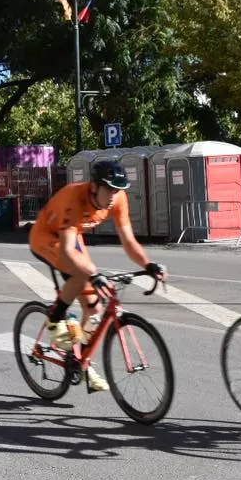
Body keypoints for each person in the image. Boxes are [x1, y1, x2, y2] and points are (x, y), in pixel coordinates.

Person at [28, 162, 166, 393]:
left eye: (118, 189)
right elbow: (68, 252)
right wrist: (93, 275)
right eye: (109, 189)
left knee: (94, 311)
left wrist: (148, 264)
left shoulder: (117, 199)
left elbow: (129, 241)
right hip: (46, 236)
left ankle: (79, 360)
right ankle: (55, 316)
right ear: (94, 187)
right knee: (84, 271)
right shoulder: (74, 198)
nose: (114, 195)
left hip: (72, 236)